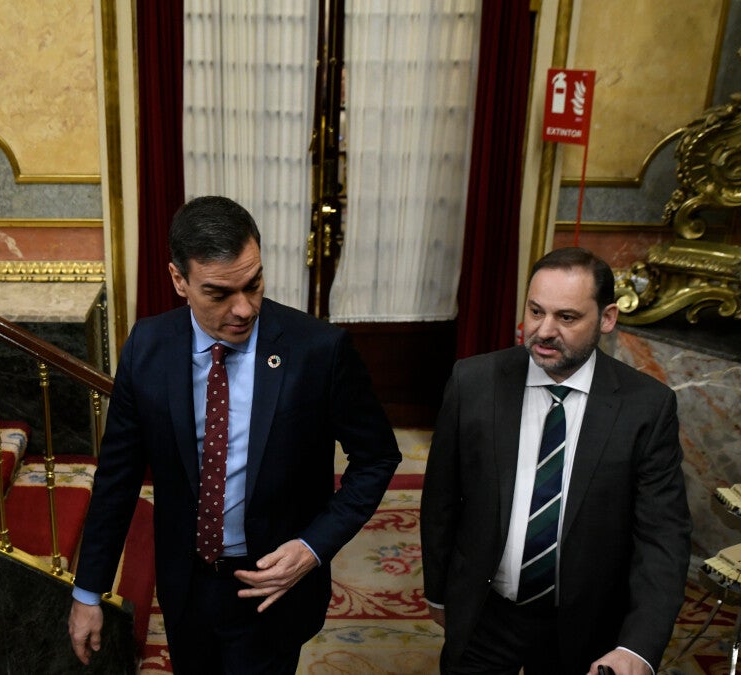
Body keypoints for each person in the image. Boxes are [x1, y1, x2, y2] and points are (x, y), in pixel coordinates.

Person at [69, 195, 401, 673]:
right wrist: (87, 591)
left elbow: (375, 458)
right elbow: (117, 479)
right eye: (219, 294)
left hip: (273, 590)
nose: (244, 309)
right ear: (179, 280)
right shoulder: (147, 347)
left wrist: (311, 548)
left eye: (253, 284)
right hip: (187, 588)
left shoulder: (318, 351)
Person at [421, 247, 691, 675]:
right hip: (485, 615)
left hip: (586, 627)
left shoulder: (647, 408)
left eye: (567, 317)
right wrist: (438, 592)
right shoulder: (473, 382)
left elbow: (662, 539)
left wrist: (637, 648)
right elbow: (440, 498)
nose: (544, 331)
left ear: (607, 319)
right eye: (535, 311)